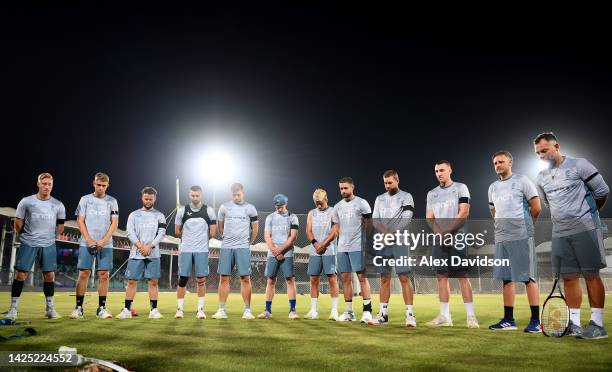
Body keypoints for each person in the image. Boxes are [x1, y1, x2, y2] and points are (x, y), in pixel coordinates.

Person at [534, 132, 609, 339]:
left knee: (591, 275)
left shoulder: (580, 164)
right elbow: (550, 204)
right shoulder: (540, 177)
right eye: (538, 153)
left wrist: (590, 214)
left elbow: (602, 192)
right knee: (568, 277)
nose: (542, 155)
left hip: (585, 228)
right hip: (559, 233)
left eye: (545, 150)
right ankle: (573, 324)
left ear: (556, 146)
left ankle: (597, 325)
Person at [487, 151, 542, 333]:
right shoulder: (492, 187)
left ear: (510, 162)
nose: (498, 165)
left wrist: (524, 228)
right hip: (502, 238)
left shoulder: (523, 181)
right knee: (506, 279)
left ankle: (536, 321)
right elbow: (494, 212)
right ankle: (508, 320)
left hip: (521, 236)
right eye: (495, 163)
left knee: (528, 277)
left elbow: (536, 208)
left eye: (501, 162)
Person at [425, 161, 479, 328]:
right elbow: (429, 217)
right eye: (436, 171)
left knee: (462, 275)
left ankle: (471, 317)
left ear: (450, 170)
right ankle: (444, 316)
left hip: (458, 238)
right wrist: (438, 233)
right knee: (441, 276)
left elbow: (464, 212)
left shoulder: (461, 188)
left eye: (442, 170)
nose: (439, 173)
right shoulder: (431, 193)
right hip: (440, 240)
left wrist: (447, 231)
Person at [6, 173, 66, 320]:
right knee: (21, 275)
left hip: (48, 244)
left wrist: (49, 238)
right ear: (38, 184)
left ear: (52, 186)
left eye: (49, 184)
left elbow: (60, 227)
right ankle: (13, 309)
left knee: (49, 276)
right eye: (44, 183)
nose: (47, 186)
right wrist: (26, 236)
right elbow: (18, 223)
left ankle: (50, 309)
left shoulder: (58, 205)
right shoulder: (26, 202)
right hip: (29, 243)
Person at [369, 170, 417, 327]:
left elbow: (407, 217)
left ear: (397, 180)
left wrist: (394, 233)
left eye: (390, 182)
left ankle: (410, 316)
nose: (387, 185)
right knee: (384, 279)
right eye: (385, 183)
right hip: (383, 242)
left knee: (404, 277)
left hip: (400, 241)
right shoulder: (379, 199)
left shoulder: (406, 196)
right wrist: (386, 233)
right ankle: (383, 314)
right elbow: (376, 220)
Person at [70, 172, 118, 319]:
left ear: (107, 186)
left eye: (104, 186)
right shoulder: (85, 199)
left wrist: (103, 240)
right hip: (86, 242)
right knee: (84, 273)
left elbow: (115, 223)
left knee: (104, 275)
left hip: (106, 243)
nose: (101, 188)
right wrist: (89, 239)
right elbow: (80, 221)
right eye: (98, 185)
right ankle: (78, 308)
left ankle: (101, 308)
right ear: (94, 183)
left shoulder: (112, 201)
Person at [117, 187, 166, 320]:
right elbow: (130, 232)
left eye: (151, 199)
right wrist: (140, 246)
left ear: (155, 199)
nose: (148, 201)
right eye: (146, 198)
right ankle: (127, 309)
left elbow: (161, 233)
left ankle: (154, 310)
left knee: (153, 282)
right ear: (142, 198)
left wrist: (150, 246)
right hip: (136, 253)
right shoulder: (134, 214)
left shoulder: (160, 215)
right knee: (132, 282)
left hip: (153, 253)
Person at [212, 183, 258, 320]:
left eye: (238, 194)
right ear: (231, 194)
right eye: (234, 195)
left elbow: (255, 229)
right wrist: (226, 238)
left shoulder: (251, 208)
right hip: (227, 246)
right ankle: (221, 309)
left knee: (245, 278)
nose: (236, 197)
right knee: (224, 277)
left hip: (243, 247)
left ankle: (247, 310)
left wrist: (248, 242)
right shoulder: (224, 207)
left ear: (243, 193)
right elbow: (220, 228)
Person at [333, 177, 373, 323]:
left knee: (362, 278)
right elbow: (336, 227)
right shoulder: (337, 207)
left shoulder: (362, 203)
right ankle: (349, 312)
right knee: (345, 278)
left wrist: (364, 241)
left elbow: (370, 223)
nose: (343, 191)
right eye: (341, 188)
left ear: (352, 187)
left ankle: (367, 311)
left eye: (345, 188)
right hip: (342, 247)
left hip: (358, 246)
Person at [174, 185, 216, 319]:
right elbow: (176, 232)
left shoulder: (209, 210)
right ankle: (179, 309)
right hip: (186, 249)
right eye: (193, 195)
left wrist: (200, 239)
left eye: (197, 195)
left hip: (202, 250)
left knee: (201, 280)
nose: (195, 198)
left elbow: (213, 233)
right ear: (189, 195)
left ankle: (200, 310)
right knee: (182, 280)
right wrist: (190, 238)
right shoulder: (182, 211)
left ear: (201, 195)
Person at [258, 194, 300, 320]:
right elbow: (267, 236)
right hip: (273, 252)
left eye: (281, 206)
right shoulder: (270, 217)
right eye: (276, 206)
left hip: (287, 252)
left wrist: (281, 250)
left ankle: (292, 311)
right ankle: (267, 310)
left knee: (290, 280)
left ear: (285, 204)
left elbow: (293, 237)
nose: (278, 209)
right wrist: (275, 250)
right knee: (270, 280)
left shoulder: (293, 217)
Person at [305, 189, 340, 320]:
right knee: (314, 280)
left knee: (332, 279)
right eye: (316, 203)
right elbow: (308, 231)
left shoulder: (333, 211)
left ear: (326, 199)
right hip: (314, 251)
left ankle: (334, 311)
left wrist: (323, 244)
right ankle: (313, 311)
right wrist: (315, 243)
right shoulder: (311, 213)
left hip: (329, 250)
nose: (318, 205)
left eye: (320, 202)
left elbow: (335, 231)